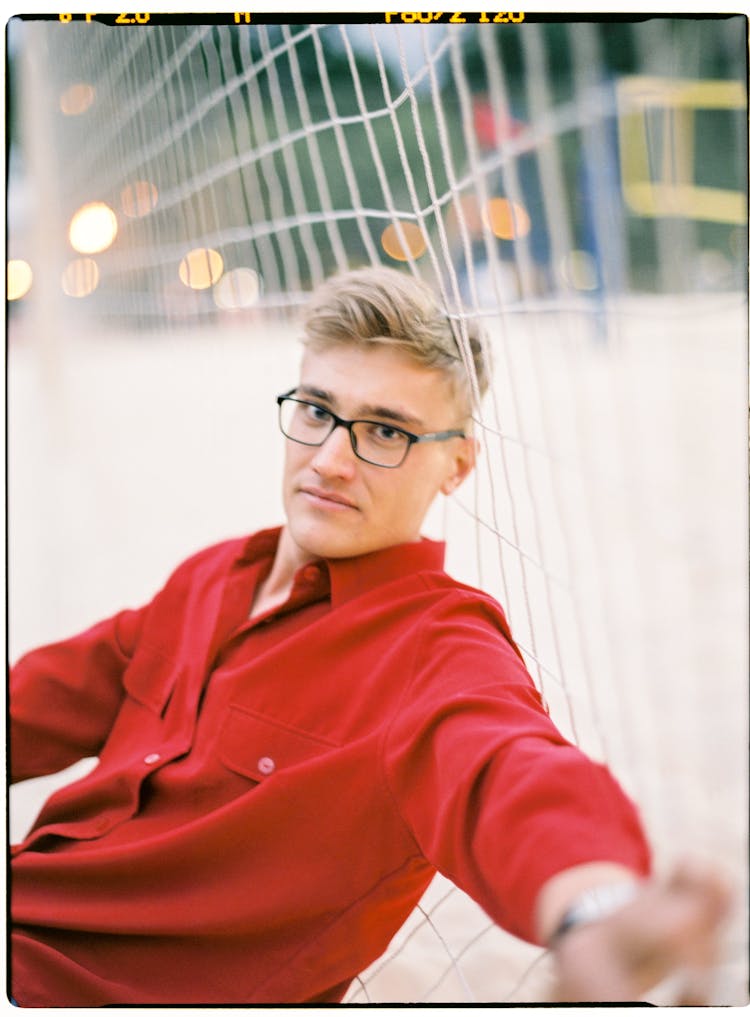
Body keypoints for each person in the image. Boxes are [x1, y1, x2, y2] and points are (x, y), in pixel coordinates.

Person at [9, 267, 730, 1006]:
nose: (329, 459)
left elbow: (506, 763)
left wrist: (592, 908)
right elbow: (33, 701)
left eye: (385, 430)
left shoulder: (437, 644)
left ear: (457, 465)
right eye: (317, 410)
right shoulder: (212, 576)